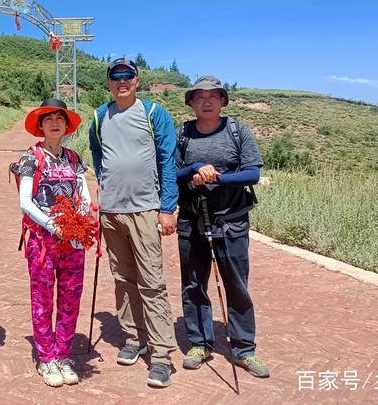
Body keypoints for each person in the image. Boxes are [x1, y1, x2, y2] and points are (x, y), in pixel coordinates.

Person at [88, 57, 179, 388]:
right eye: (116, 76)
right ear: (109, 82)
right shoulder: (99, 117)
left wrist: (168, 207)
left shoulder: (154, 114)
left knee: (151, 282)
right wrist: (106, 186)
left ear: (137, 80)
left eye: (128, 75)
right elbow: (98, 156)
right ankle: (133, 337)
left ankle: (161, 355)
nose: (122, 81)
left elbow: (168, 160)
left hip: (145, 209)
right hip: (112, 212)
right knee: (123, 278)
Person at [174, 75, 269, 378]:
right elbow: (171, 174)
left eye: (213, 95)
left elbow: (252, 174)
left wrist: (218, 178)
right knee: (193, 283)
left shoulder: (238, 132)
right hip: (192, 219)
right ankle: (200, 343)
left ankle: (244, 349)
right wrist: (192, 171)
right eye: (199, 96)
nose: (206, 101)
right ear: (191, 102)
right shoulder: (182, 134)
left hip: (232, 220)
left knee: (236, 284)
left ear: (223, 101)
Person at [15, 99, 91, 387]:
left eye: (60, 118)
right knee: (43, 299)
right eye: (49, 119)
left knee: (71, 299)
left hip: (73, 239)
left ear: (66, 126)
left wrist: (80, 221)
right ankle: (46, 358)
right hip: (42, 241)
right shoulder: (31, 158)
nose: (55, 123)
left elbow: (84, 195)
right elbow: (25, 201)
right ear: (41, 126)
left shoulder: (73, 158)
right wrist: (53, 225)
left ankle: (63, 354)